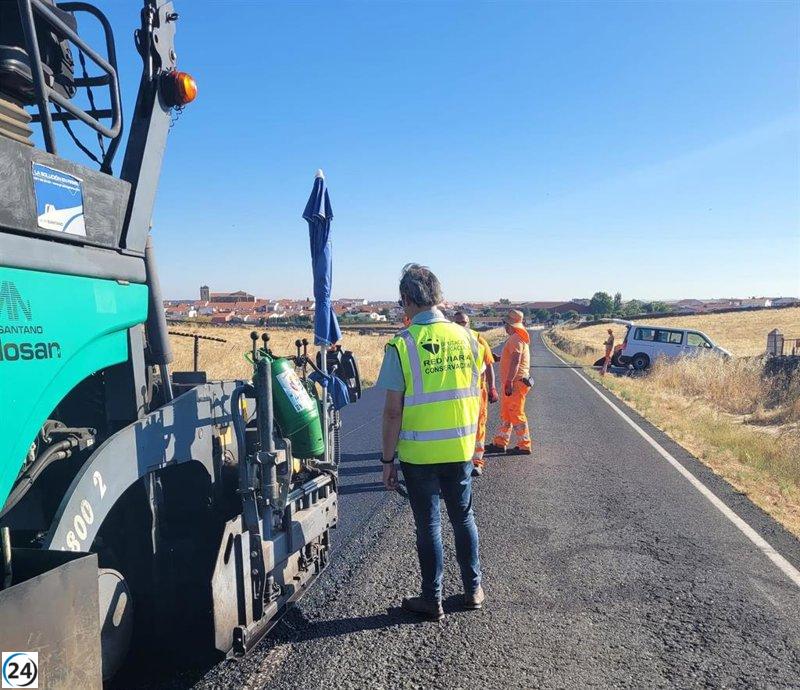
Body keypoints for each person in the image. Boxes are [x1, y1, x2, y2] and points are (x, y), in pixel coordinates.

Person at [377, 264, 486, 620]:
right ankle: (473, 590)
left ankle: (432, 599)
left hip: (419, 454)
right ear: (438, 298)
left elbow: (393, 412)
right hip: (459, 448)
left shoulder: (403, 344)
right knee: (463, 519)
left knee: (429, 525)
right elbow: (474, 389)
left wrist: (387, 461)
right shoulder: (469, 338)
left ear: (407, 300)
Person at [452, 311, 498, 477]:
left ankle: (477, 461)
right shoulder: (449, 341)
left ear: (469, 322)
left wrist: (492, 387)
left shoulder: (479, 339)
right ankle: (460, 460)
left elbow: (489, 365)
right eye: (457, 322)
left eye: (463, 322)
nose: (461, 325)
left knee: (478, 426)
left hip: (478, 392)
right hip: (457, 394)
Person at [485, 309, 532, 455]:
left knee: (516, 413)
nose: (505, 326)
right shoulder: (517, 338)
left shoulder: (516, 339)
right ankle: (500, 442)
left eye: (506, 323)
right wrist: (500, 359)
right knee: (507, 414)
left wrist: (509, 382)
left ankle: (524, 445)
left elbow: (516, 359)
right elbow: (513, 358)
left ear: (511, 325)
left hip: (515, 383)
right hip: (516, 381)